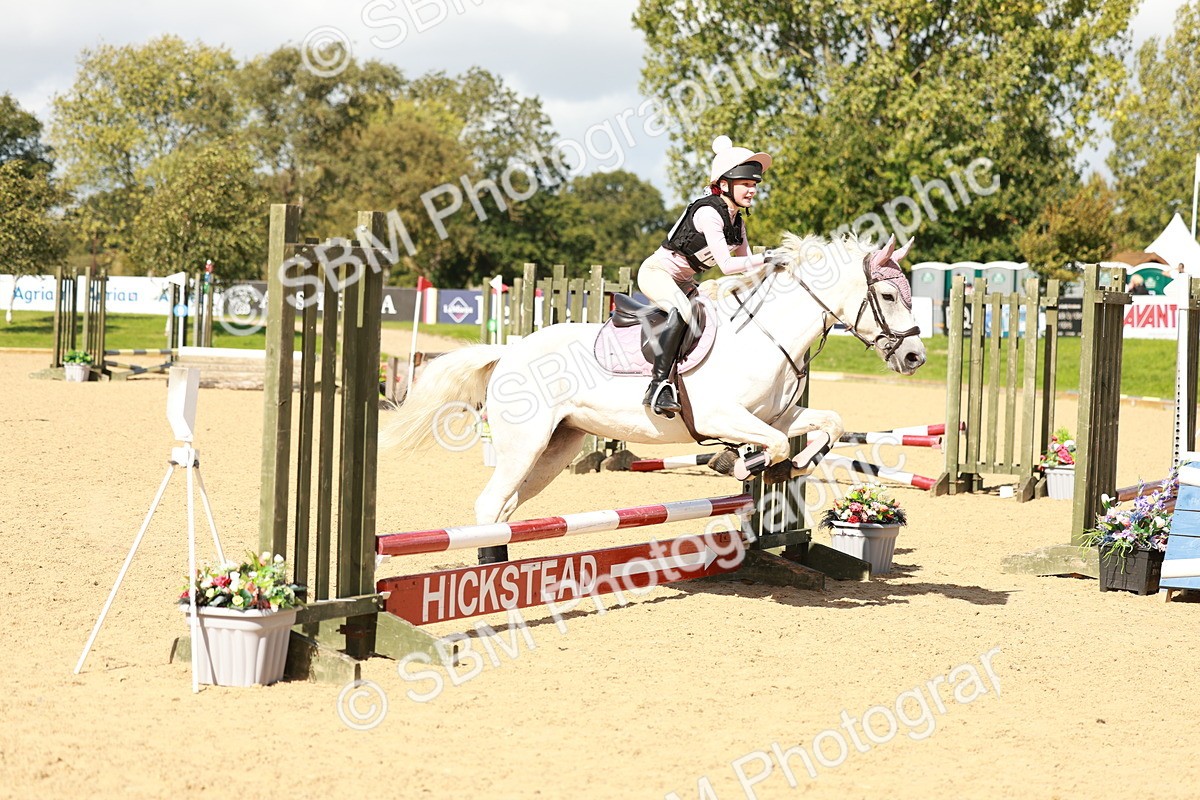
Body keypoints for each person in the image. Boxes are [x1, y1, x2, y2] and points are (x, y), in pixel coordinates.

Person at [637, 135, 776, 416]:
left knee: (718, 314)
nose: (752, 191)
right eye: (746, 184)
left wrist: (779, 266)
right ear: (724, 185)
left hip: (685, 280)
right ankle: (658, 385)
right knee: (683, 310)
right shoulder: (708, 213)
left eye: (754, 185)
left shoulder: (737, 223)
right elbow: (727, 266)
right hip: (657, 273)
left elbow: (748, 266)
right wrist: (768, 257)